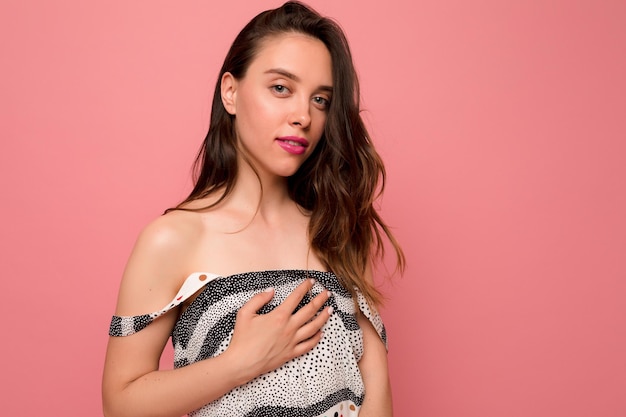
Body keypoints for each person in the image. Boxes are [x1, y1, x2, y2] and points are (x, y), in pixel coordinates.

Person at [102, 2, 404, 416]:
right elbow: (121, 405)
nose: (303, 116)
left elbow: (377, 396)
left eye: (320, 99)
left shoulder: (335, 232)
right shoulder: (173, 239)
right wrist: (238, 364)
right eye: (281, 88)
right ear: (231, 91)